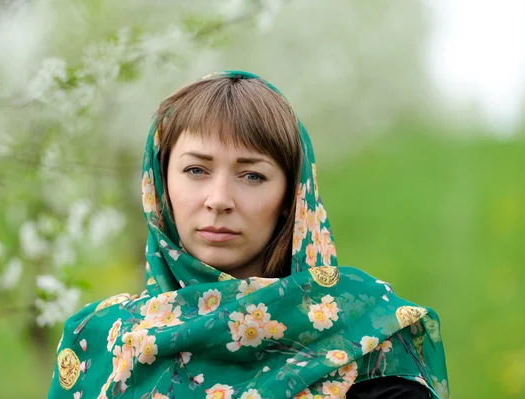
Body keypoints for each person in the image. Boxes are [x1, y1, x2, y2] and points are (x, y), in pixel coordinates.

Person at [47, 71, 449, 399]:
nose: (218, 199)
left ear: (292, 197)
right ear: (160, 186)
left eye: (252, 175)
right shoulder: (97, 342)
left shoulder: (367, 334)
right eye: (196, 170)